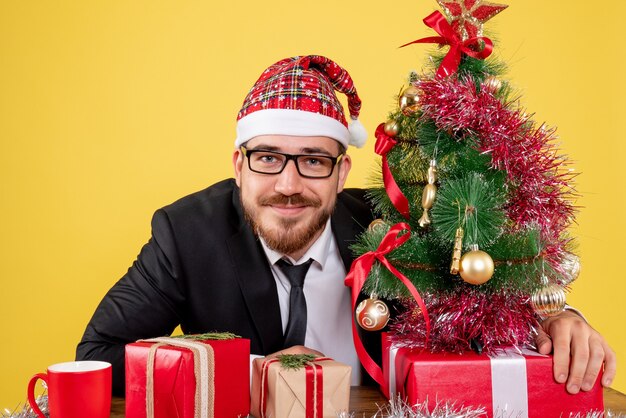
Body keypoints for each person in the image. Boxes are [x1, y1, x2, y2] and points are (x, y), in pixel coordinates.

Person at [77, 55, 616, 397]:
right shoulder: (186, 232)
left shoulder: (395, 228)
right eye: (268, 157)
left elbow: (484, 302)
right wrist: (252, 371)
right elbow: (97, 355)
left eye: (313, 160)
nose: (288, 184)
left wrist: (556, 317)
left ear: (342, 173)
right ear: (239, 166)